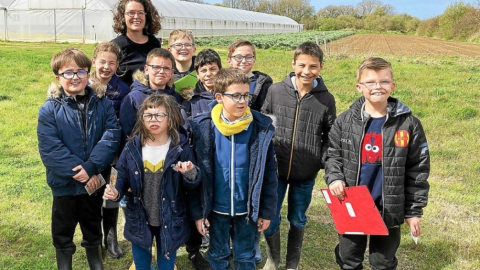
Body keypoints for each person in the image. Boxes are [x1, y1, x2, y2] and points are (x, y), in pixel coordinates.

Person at [324, 57, 430, 270]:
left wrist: (414, 211)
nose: (377, 87)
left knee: (383, 262)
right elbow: (332, 155)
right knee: (349, 258)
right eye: (370, 82)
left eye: (383, 81)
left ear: (393, 85)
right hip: (352, 205)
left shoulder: (408, 124)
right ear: (359, 87)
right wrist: (335, 177)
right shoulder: (344, 121)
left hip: (388, 208)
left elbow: (418, 170)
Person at [37, 48, 121, 270]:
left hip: (93, 180)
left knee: (93, 222)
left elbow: (111, 135)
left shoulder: (102, 103)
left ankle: (95, 259)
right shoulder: (49, 109)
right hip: (65, 184)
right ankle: (64, 262)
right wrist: (79, 172)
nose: (75, 77)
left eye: (80, 72)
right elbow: (51, 148)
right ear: (58, 77)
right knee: (62, 228)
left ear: (88, 73)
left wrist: (91, 167)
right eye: (68, 73)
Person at [189, 68, 278, 270]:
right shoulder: (203, 127)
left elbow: (270, 175)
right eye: (235, 96)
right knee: (218, 254)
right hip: (215, 209)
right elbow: (197, 178)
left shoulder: (260, 127)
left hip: (246, 210)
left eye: (246, 95)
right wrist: (198, 213)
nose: (242, 101)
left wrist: (266, 211)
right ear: (219, 97)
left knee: (246, 256)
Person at [261, 41, 336, 270]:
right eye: (302, 65)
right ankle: (273, 260)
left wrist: (318, 159)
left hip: (305, 173)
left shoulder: (326, 99)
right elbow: (265, 124)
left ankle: (292, 264)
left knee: (297, 218)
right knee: (270, 218)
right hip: (276, 171)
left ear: (321, 67)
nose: (307, 71)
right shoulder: (275, 91)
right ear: (293, 63)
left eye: (313, 66)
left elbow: (330, 136)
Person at [103, 94, 201, 270]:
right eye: (148, 115)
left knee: (166, 266)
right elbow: (121, 174)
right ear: (141, 119)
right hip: (139, 218)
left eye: (160, 115)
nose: (153, 120)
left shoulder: (181, 147)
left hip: (171, 219)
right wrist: (116, 191)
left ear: (170, 119)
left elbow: (192, 185)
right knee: (141, 265)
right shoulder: (132, 146)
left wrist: (190, 173)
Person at [90, 41, 131, 259]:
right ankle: (94, 238)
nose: (106, 67)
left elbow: (124, 124)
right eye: (102, 62)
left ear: (117, 66)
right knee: (92, 193)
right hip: (90, 153)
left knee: (112, 192)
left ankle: (111, 236)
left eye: (111, 63)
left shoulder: (122, 89)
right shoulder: (83, 84)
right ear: (93, 61)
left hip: (114, 153)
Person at [119, 48, 181, 141]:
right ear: (146, 69)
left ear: (172, 72)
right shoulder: (133, 98)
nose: (161, 71)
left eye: (166, 68)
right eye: (156, 67)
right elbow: (128, 133)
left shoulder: (177, 98)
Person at [112, 0, 162, 86]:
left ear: (146, 16)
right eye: (131, 13)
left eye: (140, 12)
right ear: (123, 17)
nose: (136, 16)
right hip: (124, 97)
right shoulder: (115, 46)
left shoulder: (155, 43)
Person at [227, 39, 273, 111]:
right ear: (229, 60)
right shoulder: (222, 82)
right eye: (238, 57)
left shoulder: (264, 84)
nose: (244, 61)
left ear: (254, 59)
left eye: (248, 57)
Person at [181, 48, 222, 117]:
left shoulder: (229, 95)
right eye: (203, 70)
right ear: (197, 74)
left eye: (213, 69)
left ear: (220, 70)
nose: (208, 74)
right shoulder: (190, 101)